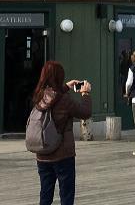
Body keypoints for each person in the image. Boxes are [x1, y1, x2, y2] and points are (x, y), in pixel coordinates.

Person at [30, 63, 90, 205]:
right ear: (59, 77)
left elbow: (53, 97)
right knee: (66, 194)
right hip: (62, 154)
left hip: (43, 152)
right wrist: (85, 94)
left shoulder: (39, 95)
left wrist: (66, 87)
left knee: (45, 193)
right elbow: (85, 113)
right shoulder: (64, 100)